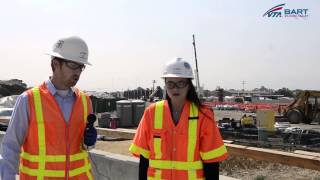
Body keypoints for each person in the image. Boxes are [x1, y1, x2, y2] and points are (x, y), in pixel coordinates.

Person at [0, 36, 97, 179]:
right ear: (55, 64)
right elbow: (10, 148)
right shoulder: (29, 100)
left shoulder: (85, 101)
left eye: (81, 67)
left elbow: (85, 147)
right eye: (73, 65)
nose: (77, 72)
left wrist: (90, 142)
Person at [129, 57, 228, 180]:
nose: (175, 88)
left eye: (181, 83)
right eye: (170, 83)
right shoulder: (151, 113)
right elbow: (144, 159)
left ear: (188, 85)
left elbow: (212, 163)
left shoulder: (203, 115)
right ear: (165, 84)